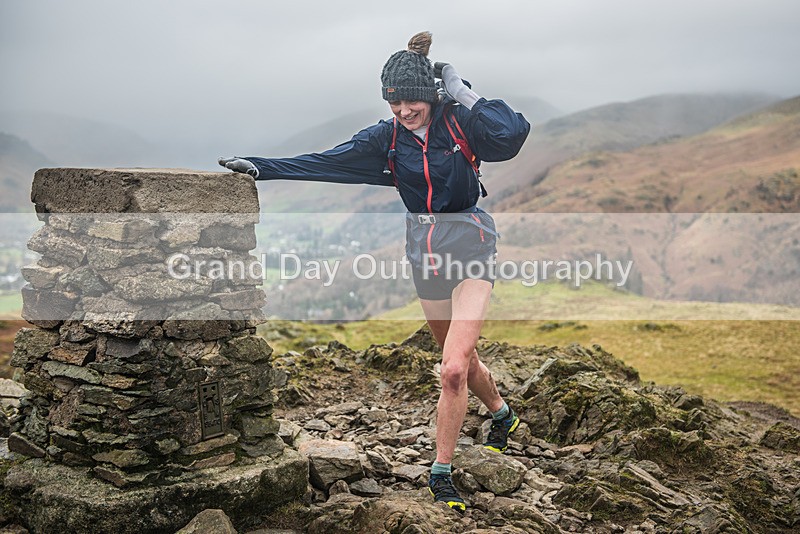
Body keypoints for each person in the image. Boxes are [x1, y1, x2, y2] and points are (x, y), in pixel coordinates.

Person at [219, 31, 530, 512]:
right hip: (423, 250)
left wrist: (457, 85)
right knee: (460, 358)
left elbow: (510, 133)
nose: (404, 111)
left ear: (431, 96)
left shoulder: (459, 121)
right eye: (395, 103)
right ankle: (503, 414)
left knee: (450, 369)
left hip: (470, 244)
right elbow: (326, 162)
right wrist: (260, 167)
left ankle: (441, 473)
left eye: (412, 101)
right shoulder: (386, 138)